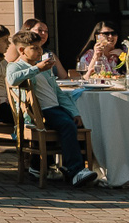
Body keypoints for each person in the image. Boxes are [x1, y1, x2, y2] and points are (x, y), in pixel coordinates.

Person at [5, 26, 97, 187]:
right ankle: (75, 170)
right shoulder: (16, 66)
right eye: (34, 48)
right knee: (67, 125)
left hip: (54, 109)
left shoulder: (45, 69)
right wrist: (36, 69)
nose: (39, 51)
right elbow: (12, 79)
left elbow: (59, 93)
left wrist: (74, 112)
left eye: (40, 47)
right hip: (39, 113)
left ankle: (52, 167)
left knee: (77, 123)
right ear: (21, 50)